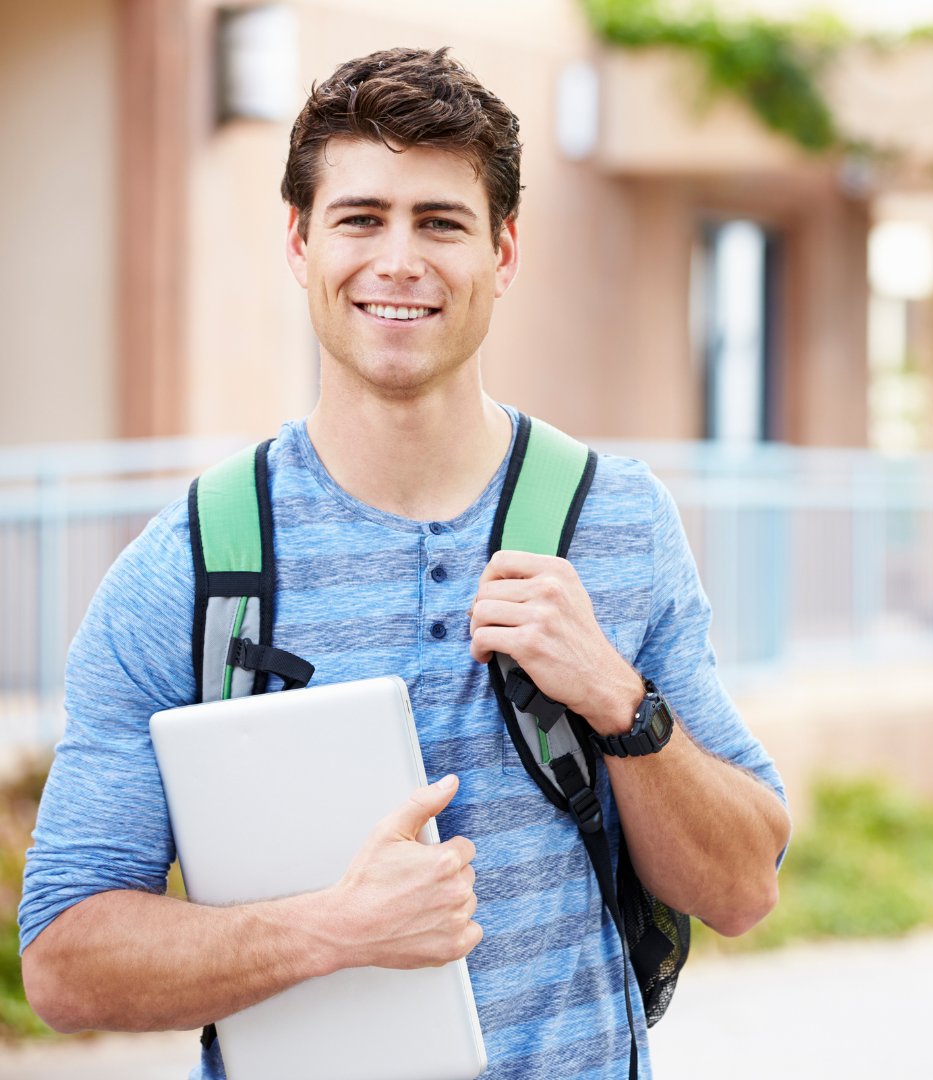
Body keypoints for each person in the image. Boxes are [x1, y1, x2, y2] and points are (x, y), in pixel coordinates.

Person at [19, 46, 790, 1079]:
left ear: (502, 253)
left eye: (440, 223)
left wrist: (620, 700)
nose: (398, 261)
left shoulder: (618, 521)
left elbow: (742, 889)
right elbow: (64, 961)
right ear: (299, 242)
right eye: (360, 218)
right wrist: (332, 930)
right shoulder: (193, 567)